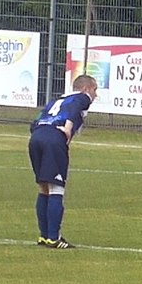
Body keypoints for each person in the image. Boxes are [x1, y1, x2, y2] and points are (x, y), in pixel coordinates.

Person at [29, 74, 99, 249]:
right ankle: (54, 237)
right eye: (94, 90)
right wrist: (67, 127)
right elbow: (76, 106)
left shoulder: (56, 100)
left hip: (36, 137)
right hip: (54, 139)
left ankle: (44, 236)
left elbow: (36, 119)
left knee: (44, 187)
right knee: (56, 188)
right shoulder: (81, 98)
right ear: (85, 89)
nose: (95, 95)